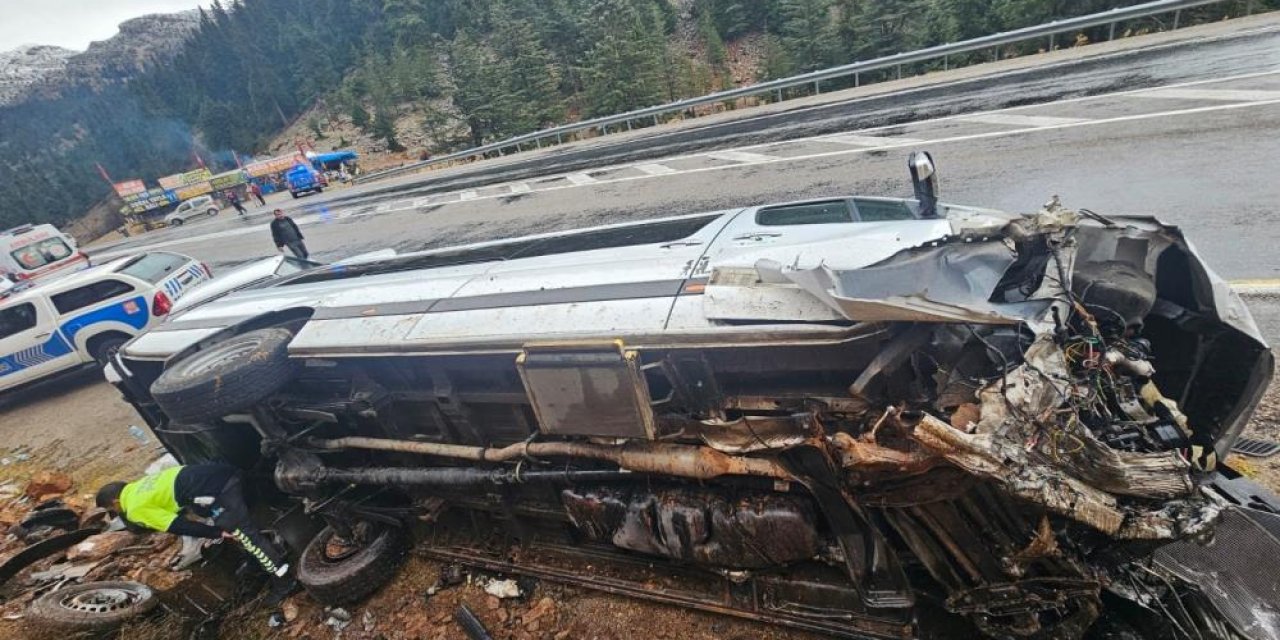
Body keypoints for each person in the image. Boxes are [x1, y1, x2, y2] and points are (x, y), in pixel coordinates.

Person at [96, 464, 296, 601]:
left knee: (247, 537)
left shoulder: (134, 508)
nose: (117, 514)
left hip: (220, 490)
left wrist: (216, 533)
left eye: (113, 511)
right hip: (226, 474)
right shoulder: (140, 486)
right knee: (235, 524)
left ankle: (284, 581)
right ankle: (258, 561)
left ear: (115, 503)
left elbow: (179, 526)